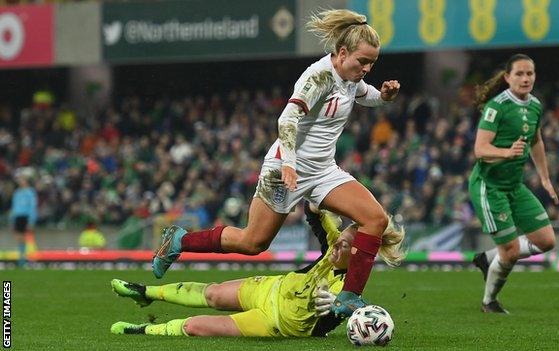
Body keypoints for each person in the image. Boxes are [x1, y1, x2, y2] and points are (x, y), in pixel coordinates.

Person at [152, 9, 400, 317]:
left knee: (375, 219)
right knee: (253, 242)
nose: (366, 69)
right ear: (342, 53)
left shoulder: (350, 77)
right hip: (284, 169)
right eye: (362, 62)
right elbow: (288, 118)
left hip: (323, 171)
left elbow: (363, 94)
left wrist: (384, 97)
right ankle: (179, 239)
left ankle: (349, 298)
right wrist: (289, 163)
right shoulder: (319, 77)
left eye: (371, 64)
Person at [111, 204, 405, 337]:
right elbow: (313, 213)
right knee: (212, 295)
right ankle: (144, 292)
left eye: (345, 245)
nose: (338, 245)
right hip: (270, 287)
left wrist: (336, 311)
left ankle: (144, 330)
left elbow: (347, 311)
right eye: (341, 239)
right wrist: (320, 200)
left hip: (275, 322)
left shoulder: (346, 290)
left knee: (195, 327)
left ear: (358, 254)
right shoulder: (333, 244)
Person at [468, 54, 559, 314]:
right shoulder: (496, 107)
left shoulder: (535, 106)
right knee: (509, 252)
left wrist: (544, 177)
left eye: (529, 73)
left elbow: (537, 141)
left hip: (514, 185)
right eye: (519, 73)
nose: (525, 78)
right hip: (489, 185)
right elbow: (480, 149)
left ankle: (488, 258)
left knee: (547, 241)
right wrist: (507, 153)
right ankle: (489, 302)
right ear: (507, 77)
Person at [9, 175, 38, 267]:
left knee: (25, 238)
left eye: (23, 180)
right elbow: (14, 207)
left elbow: (32, 207)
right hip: (17, 217)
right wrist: (12, 219)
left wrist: (31, 221)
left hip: (25, 216)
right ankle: (22, 258)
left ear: (26, 181)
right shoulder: (17, 193)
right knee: (19, 238)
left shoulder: (30, 193)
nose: (21, 182)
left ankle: (24, 259)